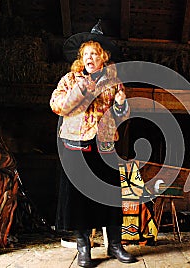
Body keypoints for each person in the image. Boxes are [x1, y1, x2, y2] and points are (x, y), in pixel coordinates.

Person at [50, 40, 136, 267]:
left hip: (104, 144)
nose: (89, 58)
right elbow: (58, 106)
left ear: (103, 58)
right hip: (76, 145)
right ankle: (84, 247)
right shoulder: (70, 80)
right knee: (79, 197)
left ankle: (115, 245)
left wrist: (121, 105)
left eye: (94, 54)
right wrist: (83, 87)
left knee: (110, 195)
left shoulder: (114, 82)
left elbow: (122, 116)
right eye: (85, 54)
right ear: (81, 59)